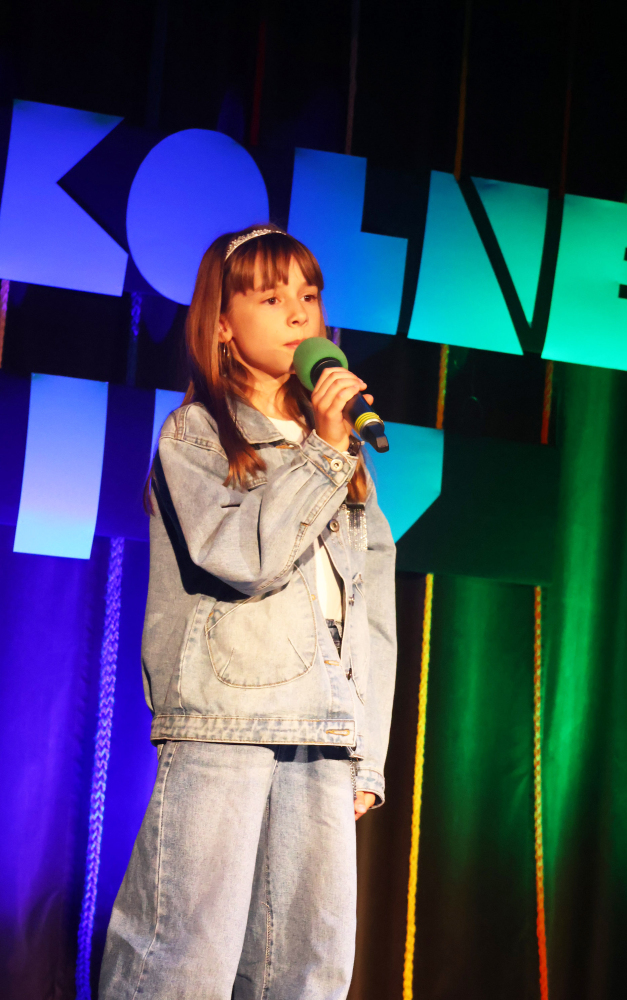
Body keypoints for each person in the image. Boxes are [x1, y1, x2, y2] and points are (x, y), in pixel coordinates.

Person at [99, 224, 397, 1000]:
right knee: (183, 957)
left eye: (309, 295)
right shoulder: (197, 434)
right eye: (271, 298)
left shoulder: (343, 460)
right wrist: (323, 451)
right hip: (224, 724)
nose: (299, 312)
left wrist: (366, 750)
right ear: (224, 325)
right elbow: (243, 558)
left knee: (309, 968)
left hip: (324, 732)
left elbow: (370, 609)